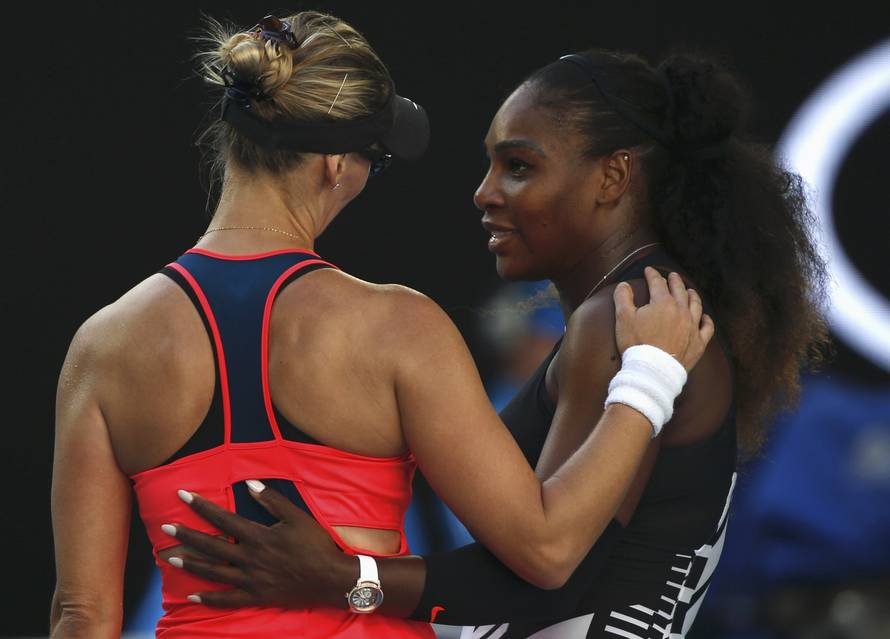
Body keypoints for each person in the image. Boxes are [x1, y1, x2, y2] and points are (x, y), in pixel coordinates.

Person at [49, 12, 713, 639]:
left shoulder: (102, 346)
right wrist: (650, 375)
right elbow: (547, 549)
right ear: (336, 164)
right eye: (375, 158)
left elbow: (83, 614)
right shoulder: (400, 328)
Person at [165, 45, 830, 638]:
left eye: (518, 166)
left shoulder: (627, 321)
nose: (484, 193)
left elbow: (552, 572)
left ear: (613, 176)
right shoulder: (631, 312)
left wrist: (344, 576)